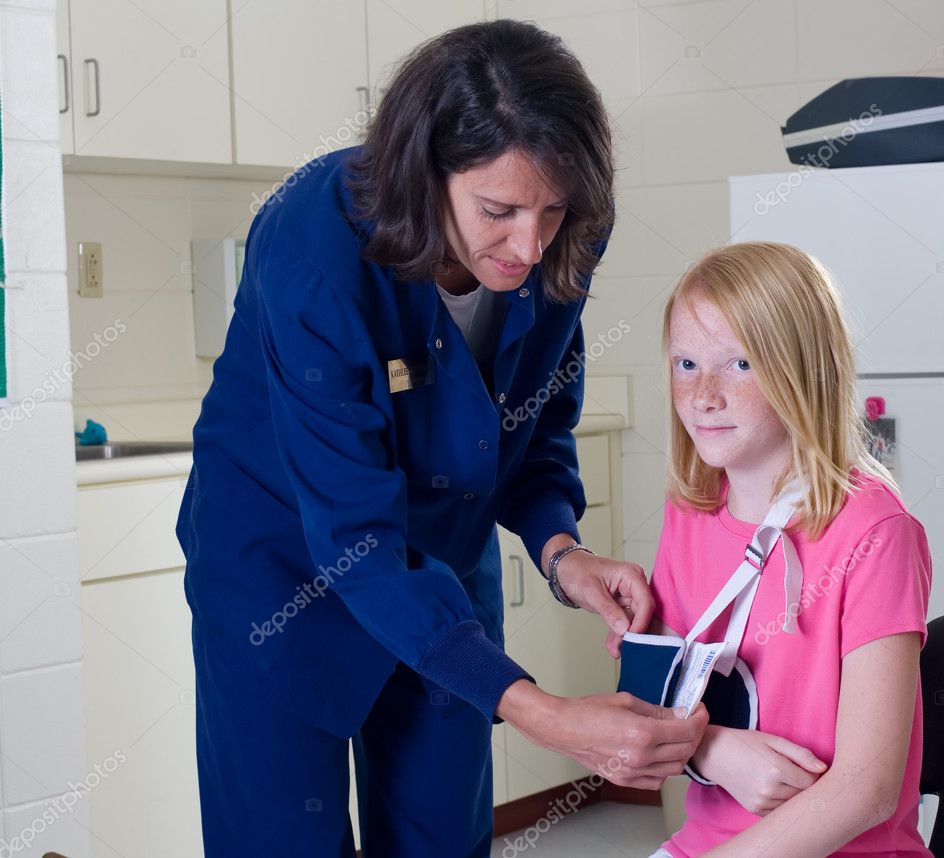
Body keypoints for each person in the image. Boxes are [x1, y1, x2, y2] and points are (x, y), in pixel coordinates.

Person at [176, 19, 707, 858]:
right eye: (497, 212)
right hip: (283, 572)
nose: (528, 247)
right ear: (425, 177)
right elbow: (354, 536)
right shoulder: (313, 250)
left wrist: (565, 554)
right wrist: (548, 716)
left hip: (441, 571)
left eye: (552, 210)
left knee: (441, 837)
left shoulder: (558, 232)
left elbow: (532, 430)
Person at [644, 242, 932, 857]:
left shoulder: (875, 532)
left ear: (804, 369)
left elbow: (867, 791)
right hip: (705, 842)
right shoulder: (690, 509)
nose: (704, 394)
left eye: (740, 365)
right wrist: (712, 749)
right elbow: (650, 707)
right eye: (686, 364)